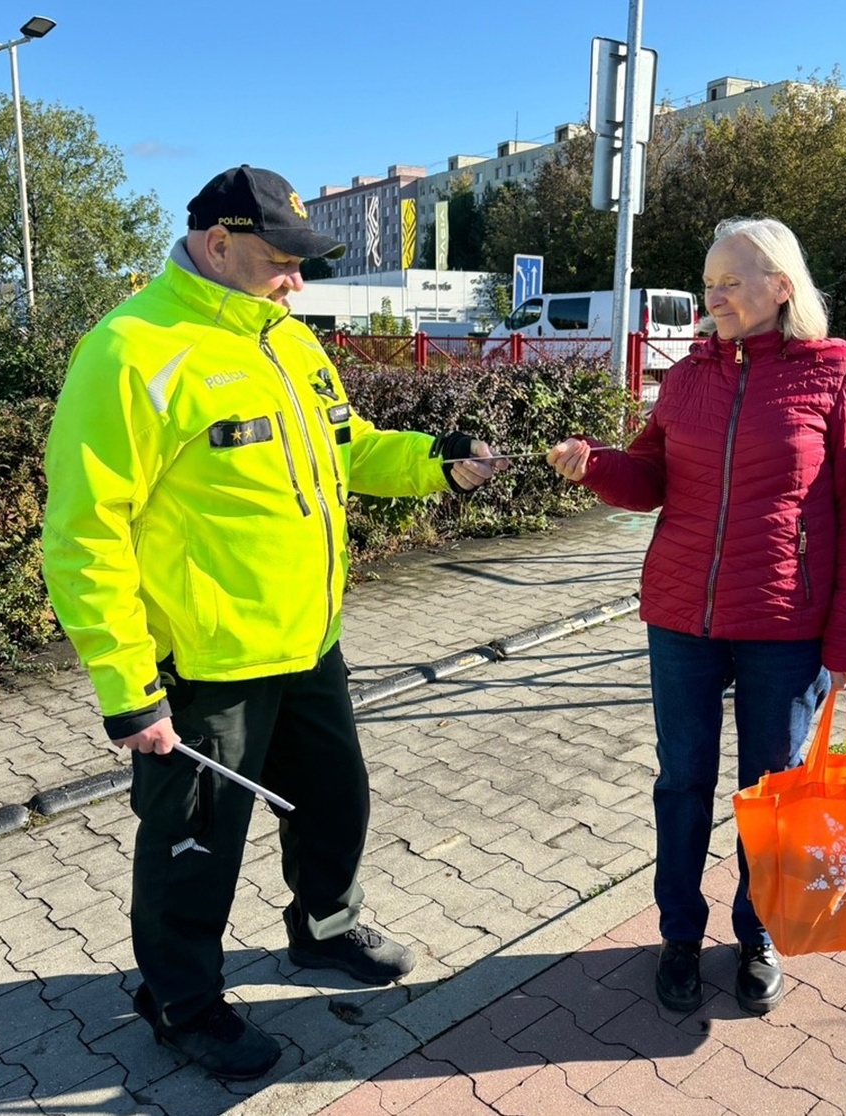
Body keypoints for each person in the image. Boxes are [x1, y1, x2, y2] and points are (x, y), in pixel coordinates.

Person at [41, 164, 507, 1080]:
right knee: (192, 849)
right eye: (280, 261)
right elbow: (83, 534)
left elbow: (351, 446)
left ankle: (323, 929)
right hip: (205, 666)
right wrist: (128, 688)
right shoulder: (130, 351)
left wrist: (436, 465)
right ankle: (181, 1001)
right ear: (218, 243)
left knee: (336, 805)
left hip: (310, 644)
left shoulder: (288, 341)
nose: (298, 281)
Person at [547, 216, 846, 1016]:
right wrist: (594, 464)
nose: (713, 298)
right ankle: (677, 934)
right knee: (682, 785)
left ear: (780, 286)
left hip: (785, 625)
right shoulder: (690, 373)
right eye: (708, 283)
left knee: (769, 793)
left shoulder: (836, 376)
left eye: (729, 282)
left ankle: (757, 932)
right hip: (679, 620)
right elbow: (650, 478)